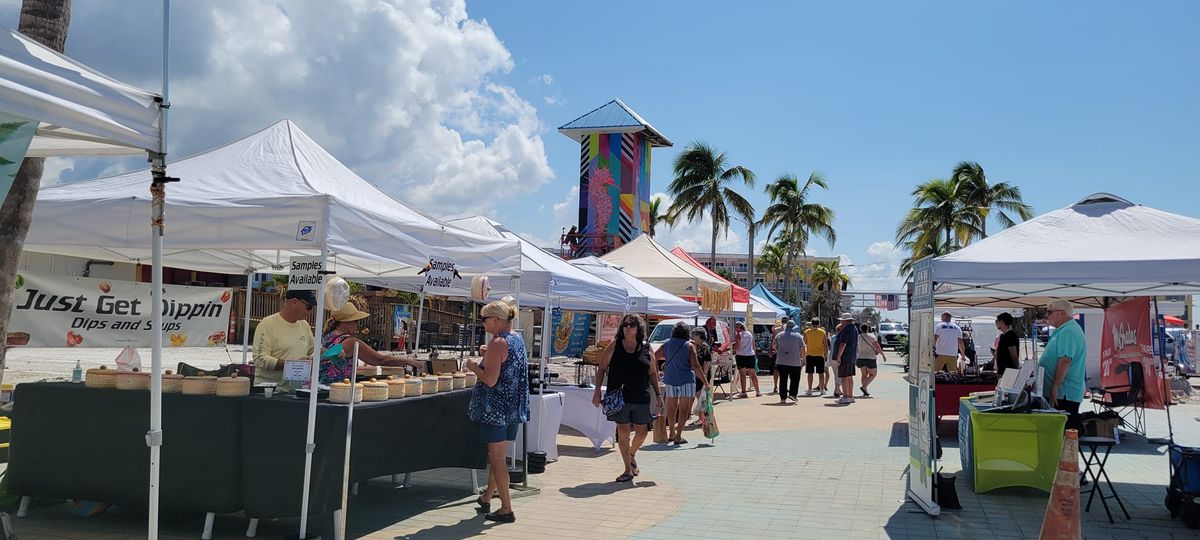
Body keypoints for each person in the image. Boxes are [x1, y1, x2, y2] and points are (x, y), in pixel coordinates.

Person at [466, 297, 529, 523]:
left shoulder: (498, 343)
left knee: (497, 458)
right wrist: (487, 355)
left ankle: (506, 508)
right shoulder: (517, 339)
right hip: (513, 407)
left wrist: (474, 367)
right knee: (498, 457)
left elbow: (490, 380)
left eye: (484, 319)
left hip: (496, 408)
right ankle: (487, 498)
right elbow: (505, 366)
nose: (483, 323)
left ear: (496, 319)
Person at [592, 314, 660, 482]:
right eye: (625, 325)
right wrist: (597, 391)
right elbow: (601, 368)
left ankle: (631, 454)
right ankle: (627, 470)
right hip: (619, 396)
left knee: (642, 432)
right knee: (623, 431)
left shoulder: (647, 348)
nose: (628, 328)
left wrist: (658, 394)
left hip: (641, 395)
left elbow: (652, 373)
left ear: (639, 329)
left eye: (631, 325)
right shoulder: (615, 345)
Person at [319, 303, 424, 384]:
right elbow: (379, 359)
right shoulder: (350, 342)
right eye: (355, 321)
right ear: (346, 322)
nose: (357, 325)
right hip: (337, 390)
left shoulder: (324, 336)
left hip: (318, 386)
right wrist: (407, 360)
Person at [1039, 300, 1087, 433]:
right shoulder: (1064, 330)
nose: (1046, 315)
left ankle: (1064, 455)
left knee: (1062, 435)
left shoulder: (1068, 331)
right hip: (1061, 393)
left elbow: (1065, 361)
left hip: (1063, 394)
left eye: (1049, 312)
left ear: (1061, 313)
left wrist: (1055, 386)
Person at [655, 322, 707, 446]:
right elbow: (695, 366)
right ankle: (678, 435)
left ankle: (672, 433)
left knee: (672, 408)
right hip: (686, 380)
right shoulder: (689, 346)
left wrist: (656, 371)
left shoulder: (667, 343)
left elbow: (654, 355)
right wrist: (705, 381)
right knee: (684, 410)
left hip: (670, 379)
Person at [253, 290, 317, 389]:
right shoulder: (267, 324)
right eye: (309, 307)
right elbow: (260, 359)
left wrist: (333, 353)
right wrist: (292, 364)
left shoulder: (304, 325)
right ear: (294, 302)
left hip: (296, 390)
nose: (310, 311)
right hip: (271, 391)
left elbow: (315, 350)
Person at [772, 320, 806, 403]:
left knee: (783, 379)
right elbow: (802, 349)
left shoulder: (779, 335)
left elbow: (774, 345)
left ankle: (783, 397)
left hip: (781, 361)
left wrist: (778, 351)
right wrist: (804, 359)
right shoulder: (798, 336)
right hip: (795, 361)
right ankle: (793, 394)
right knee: (795, 379)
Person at [834, 313, 860, 404]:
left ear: (845, 321)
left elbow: (843, 344)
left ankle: (845, 396)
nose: (841, 322)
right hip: (852, 356)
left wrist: (838, 357)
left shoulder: (846, 330)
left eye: (842, 320)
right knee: (849, 377)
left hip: (845, 356)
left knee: (844, 377)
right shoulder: (855, 329)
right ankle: (850, 395)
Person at [690, 327, 713, 426]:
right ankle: (702, 417)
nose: (693, 336)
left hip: (702, 373)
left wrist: (704, 374)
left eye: (694, 335)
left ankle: (702, 418)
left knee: (700, 395)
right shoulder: (694, 345)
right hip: (695, 373)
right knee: (698, 395)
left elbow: (706, 361)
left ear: (699, 336)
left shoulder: (704, 346)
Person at [732, 321, 761, 398]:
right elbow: (753, 345)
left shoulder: (739, 335)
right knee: (753, 374)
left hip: (741, 355)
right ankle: (758, 391)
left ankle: (744, 392)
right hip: (750, 355)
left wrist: (732, 349)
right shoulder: (749, 334)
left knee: (743, 374)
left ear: (740, 327)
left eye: (736, 327)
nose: (735, 329)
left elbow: (737, 347)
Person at [856, 323, 886, 397]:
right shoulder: (871, 336)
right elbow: (877, 346)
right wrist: (883, 355)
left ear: (860, 329)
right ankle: (864, 386)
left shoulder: (858, 337)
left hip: (860, 357)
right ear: (868, 329)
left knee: (864, 375)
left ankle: (865, 390)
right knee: (873, 374)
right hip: (870, 358)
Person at [803, 318, 830, 395]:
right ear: (818, 324)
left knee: (810, 373)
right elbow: (825, 345)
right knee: (821, 373)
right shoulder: (823, 332)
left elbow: (804, 343)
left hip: (809, 354)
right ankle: (821, 389)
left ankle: (810, 389)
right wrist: (826, 355)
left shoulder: (807, 332)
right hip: (820, 355)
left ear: (811, 324)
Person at [768, 316, 789, 395]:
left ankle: (776, 386)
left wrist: (771, 350)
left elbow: (773, 341)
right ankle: (783, 386)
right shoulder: (790, 330)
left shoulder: (776, 330)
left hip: (777, 352)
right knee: (784, 370)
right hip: (786, 352)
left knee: (776, 370)